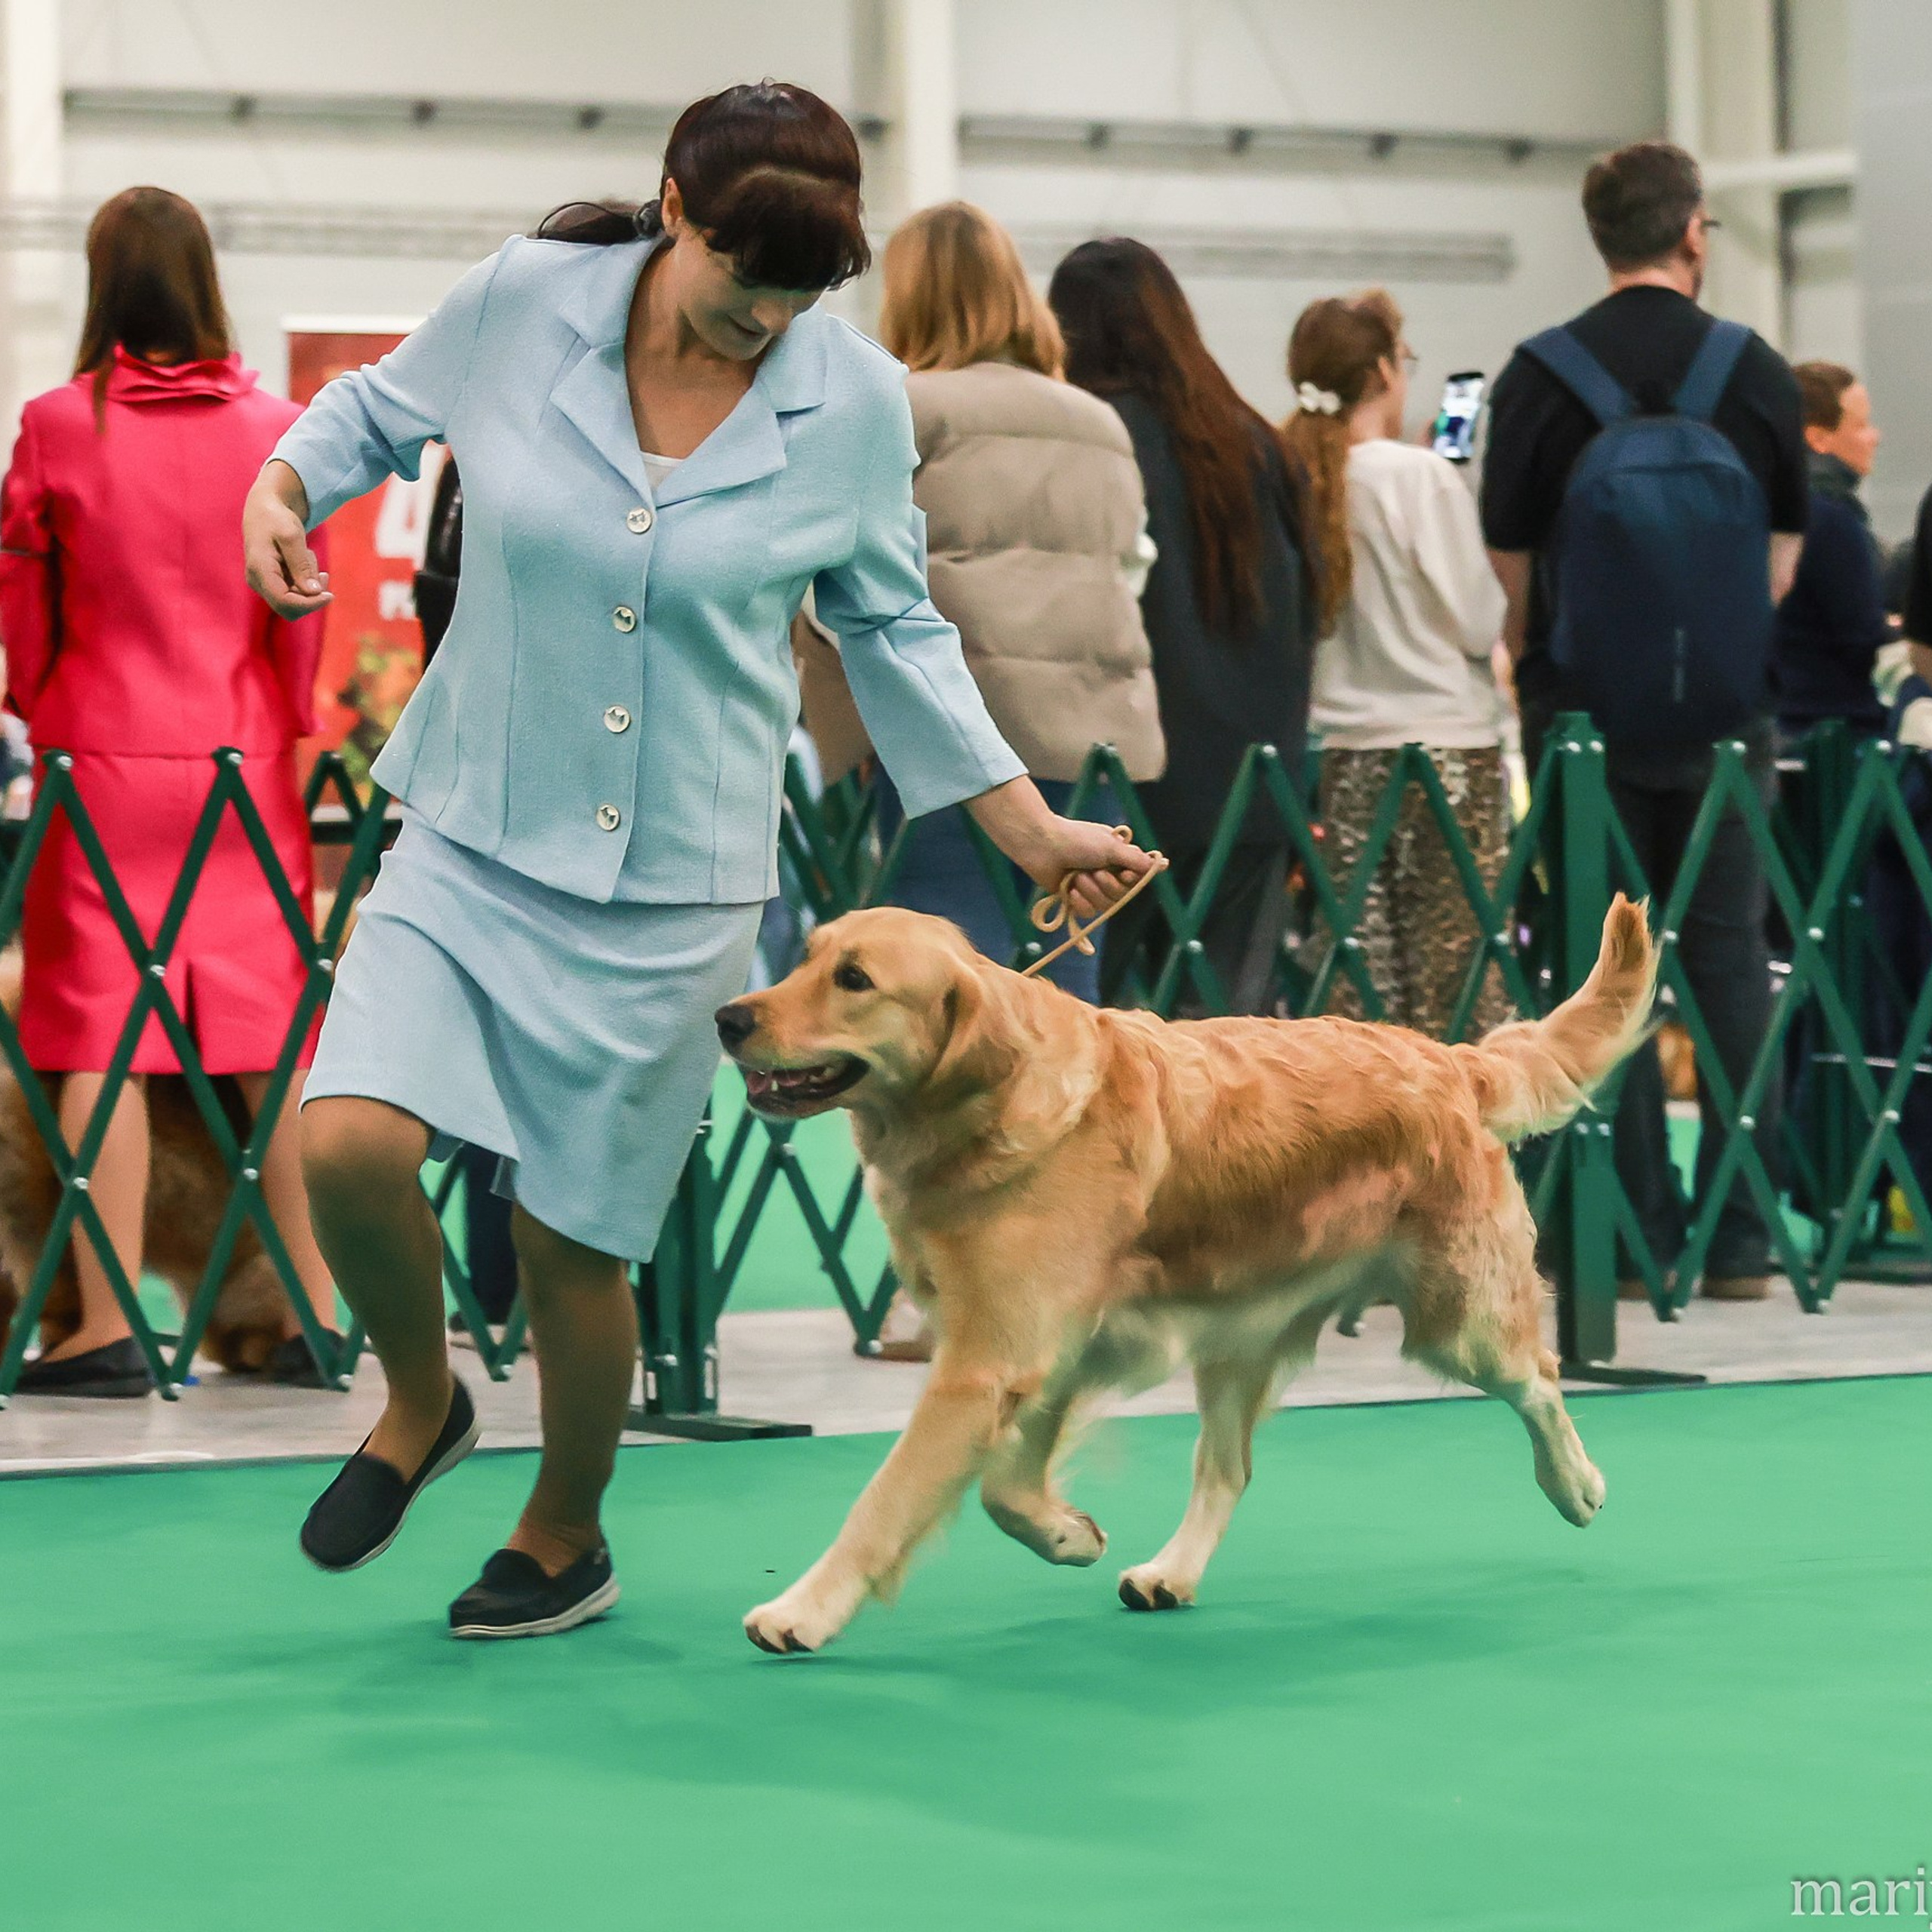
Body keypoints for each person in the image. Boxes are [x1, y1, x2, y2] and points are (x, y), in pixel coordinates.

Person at [243, 83, 1155, 1640]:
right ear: (675, 208)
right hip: (470, 826)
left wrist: (1025, 823)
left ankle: (563, 1535)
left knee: (572, 1240)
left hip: (677, 879)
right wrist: (281, 491)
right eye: (745, 277)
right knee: (347, 1147)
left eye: (802, 293)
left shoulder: (853, 399)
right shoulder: (525, 301)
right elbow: (369, 414)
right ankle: (419, 1401)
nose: (767, 317)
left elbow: (890, 624)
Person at [0, 186, 341, 1396]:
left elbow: (23, 601)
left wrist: (48, 705)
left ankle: (104, 1327)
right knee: (270, 1046)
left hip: (100, 763)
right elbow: (301, 606)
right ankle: (310, 1309)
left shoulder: (56, 424)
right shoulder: (283, 429)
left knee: (105, 1039)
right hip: (243, 767)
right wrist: (278, 720)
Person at [1481, 140, 1809, 1303]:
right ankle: (1742, 1239)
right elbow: (1780, 563)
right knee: (1729, 965)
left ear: (1600, 235)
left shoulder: (1539, 376)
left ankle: (1620, 1236)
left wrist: (1546, 660)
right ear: (1691, 232)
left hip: (1582, 723)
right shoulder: (1755, 370)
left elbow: (1509, 566)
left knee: (1597, 972)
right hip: (1726, 720)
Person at [857, 200, 1164, 1002]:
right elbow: (1134, 563)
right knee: (1064, 982)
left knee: (944, 986)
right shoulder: (1100, 421)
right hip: (1088, 731)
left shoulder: (907, 406)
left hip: (958, 731)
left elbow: (859, 573)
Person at [1048, 237, 1315, 1015]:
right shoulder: (1257, 443)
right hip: (1254, 784)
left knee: (1086, 1035)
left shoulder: (1087, 439)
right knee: (1224, 1044)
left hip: (1121, 792)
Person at [1285, 288, 1512, 1040]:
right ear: (1383, 371)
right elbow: (1478, 620)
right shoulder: (1419, 476)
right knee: (1459, 979)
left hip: (1347, 754)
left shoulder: (1297, 476)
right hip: (1446, 748)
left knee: (1361, 982)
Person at [1770, 361, 1889, 740]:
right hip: (1834, 731)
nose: (1875, 437)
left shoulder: (1765, 502)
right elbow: (1861, 639)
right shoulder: (1831, 519)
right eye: (1861, 425)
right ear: (1819, 439)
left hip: (1777, 719)